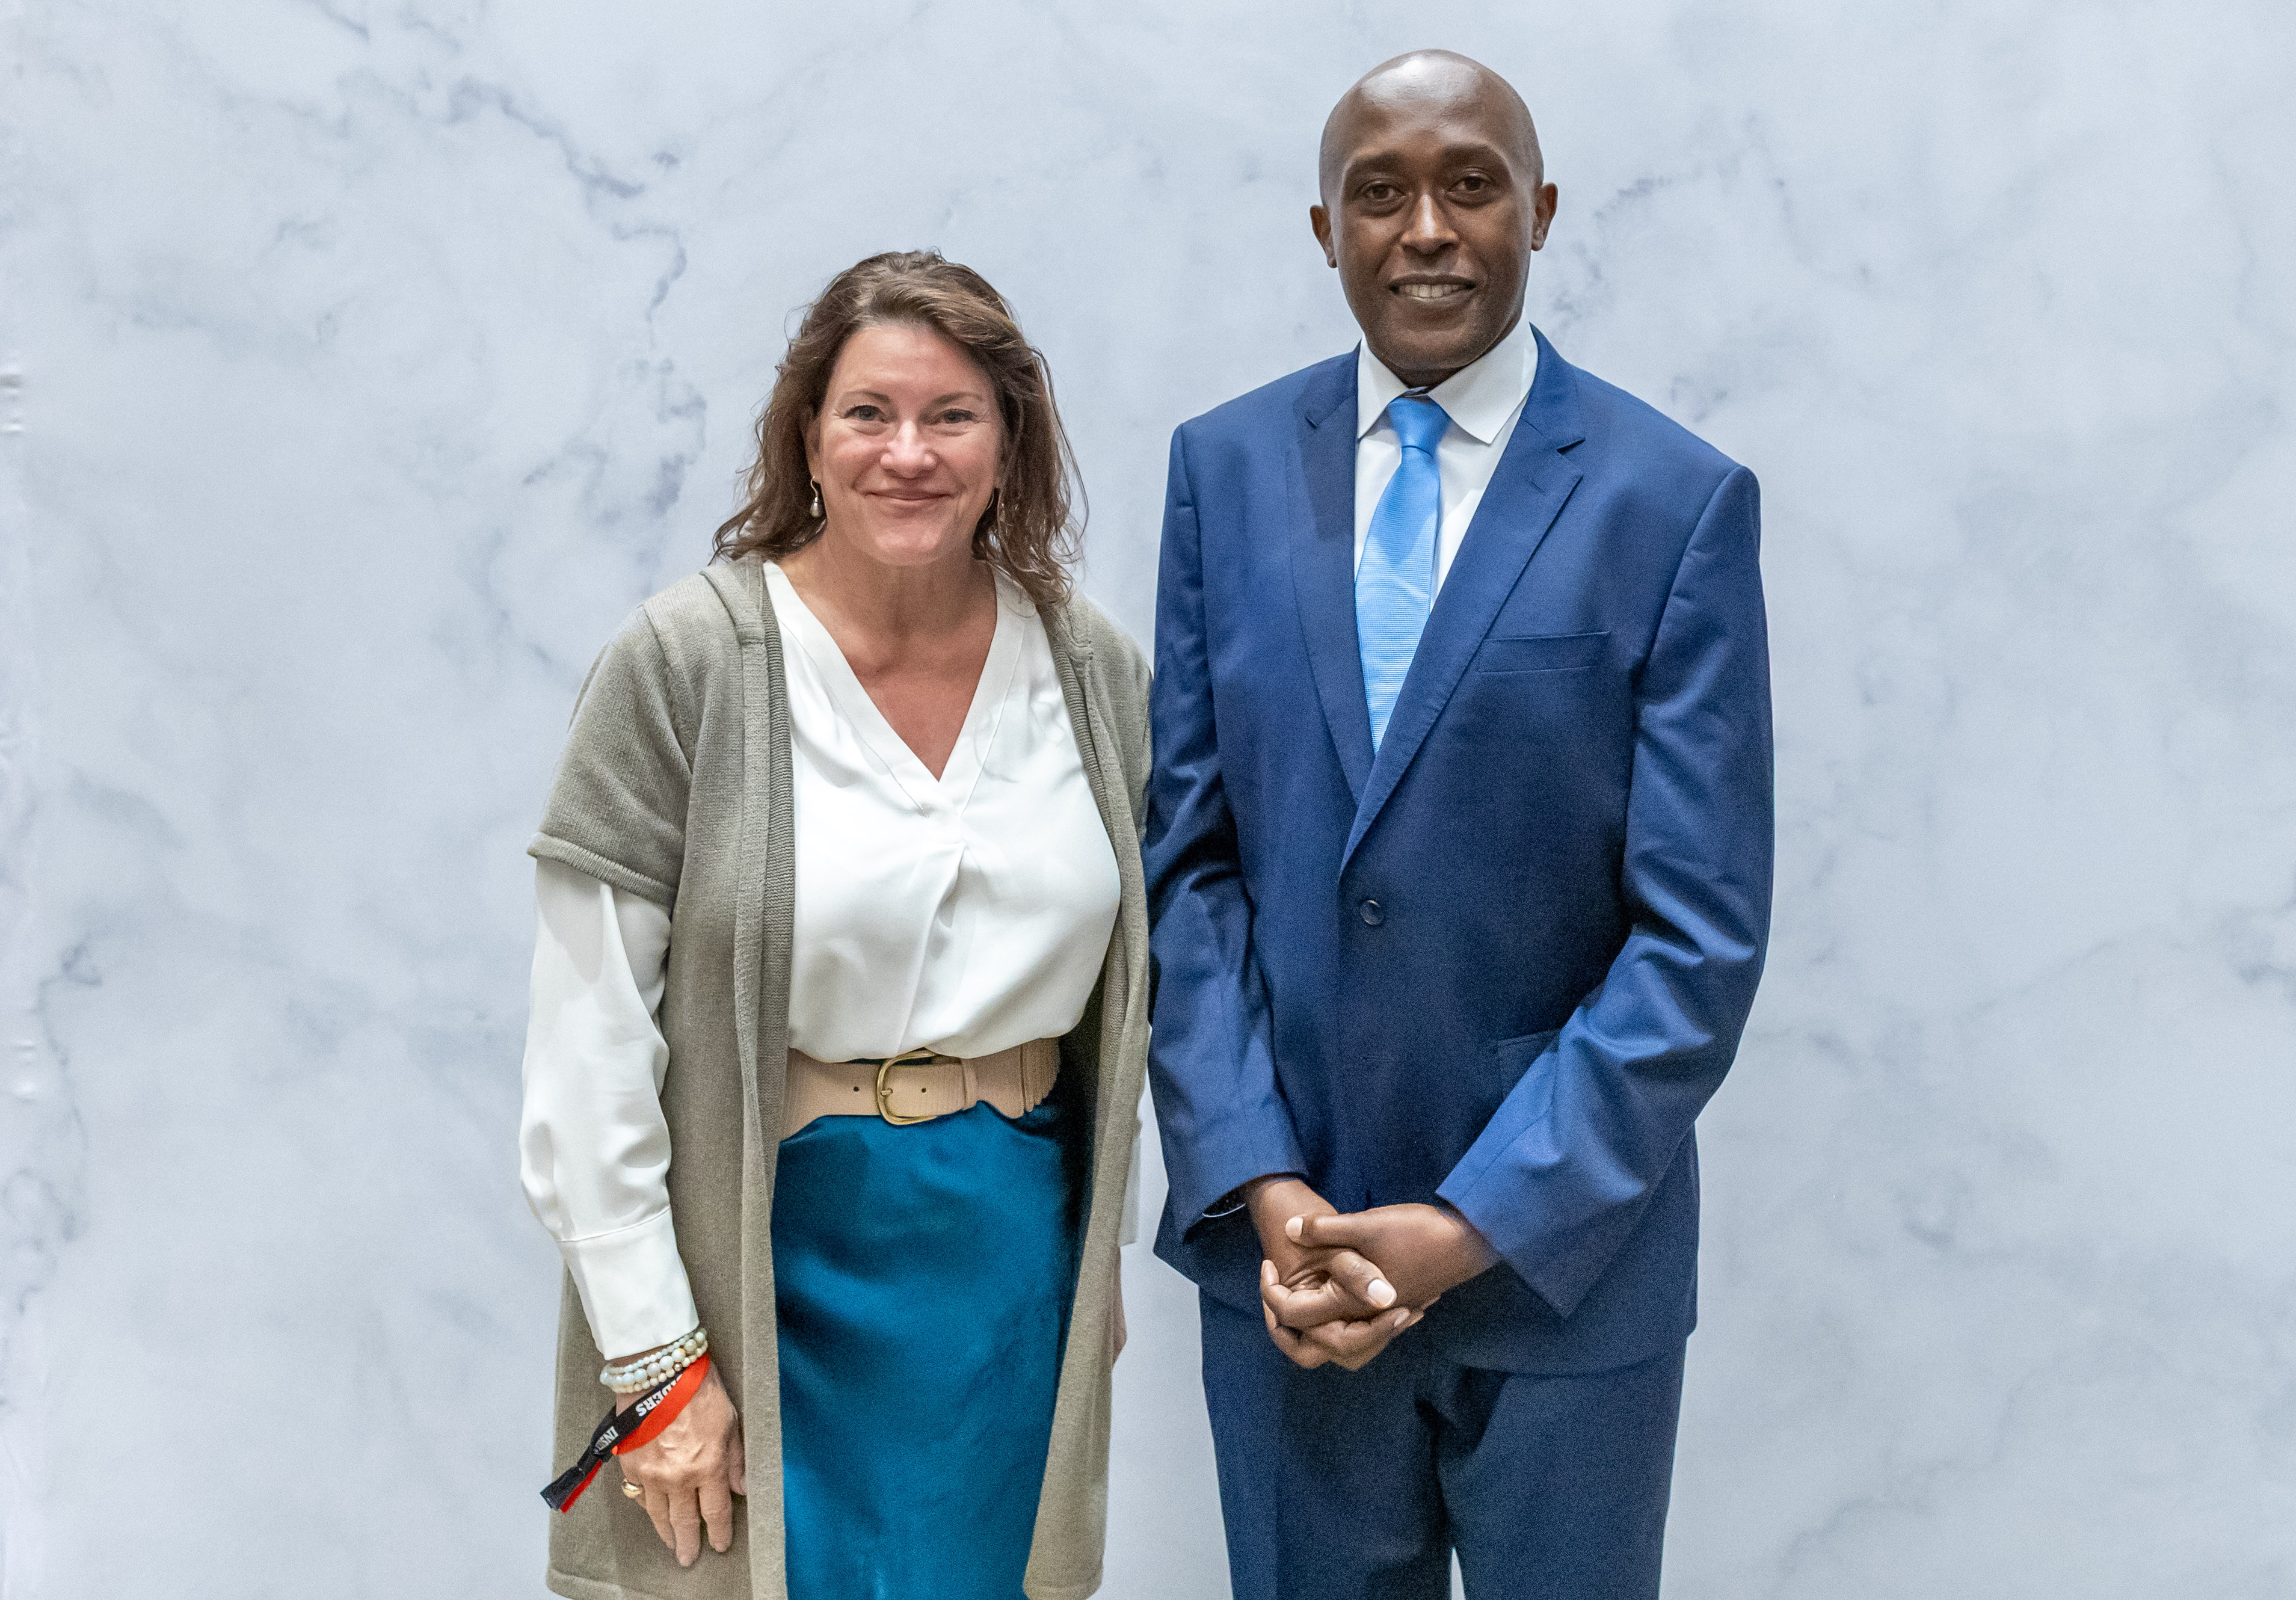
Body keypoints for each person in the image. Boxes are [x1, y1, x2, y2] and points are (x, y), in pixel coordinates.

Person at [1143, 51, 1773, 1600]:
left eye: (1470, 185)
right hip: (1291, 1277)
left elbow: (1696, 940)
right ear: (1326, 230)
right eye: (1381, 193)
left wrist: (1470, 1223)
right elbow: (1189, 873)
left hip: (1566, 1286)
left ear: (1540, 211)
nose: (1425, 228)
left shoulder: (1673, 501)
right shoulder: (1221, 472)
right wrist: (1264, 1184)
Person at [520, 249, 1151, 1600]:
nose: (907, 453)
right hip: (762, 1260)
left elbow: (1133, 999)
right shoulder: (686, 665)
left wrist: (1099, 1254)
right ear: (807, 435)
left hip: (1007, 1270)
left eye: (952, 415)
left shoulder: (1090, 666)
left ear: (1010, 442)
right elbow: (586, 1045)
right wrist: (654, 1361)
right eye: (869, 412)